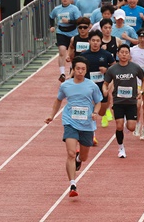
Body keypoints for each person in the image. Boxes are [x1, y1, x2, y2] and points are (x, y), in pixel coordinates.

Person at [45, 56, 103, 197]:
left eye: (83, 69)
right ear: (73, 69)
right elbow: (58, 100)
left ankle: (79, 159)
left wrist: (95, 112)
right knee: (70, 153)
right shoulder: (66, 85)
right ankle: (72, 184)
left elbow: (98, 102)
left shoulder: (92, 86)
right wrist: (52, 116)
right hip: (70, 121)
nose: (80, 71)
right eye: (78, 69)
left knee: (84, 157)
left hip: (87, 124)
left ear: (86, 70)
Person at [103, 44, 144, 158]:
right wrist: (105, 90)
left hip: (131, 102)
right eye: (121, 52)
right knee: (119, 126)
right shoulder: (113, 69)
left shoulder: (135, 67)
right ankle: (121, 148)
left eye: (126, 52)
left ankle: (128, 123)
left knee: (131, 127)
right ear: (118, 54)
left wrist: (141, 91)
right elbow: (105, 83)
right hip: (118, 102)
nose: (124, 55)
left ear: (129, 55)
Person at [50, 0, 82, 83]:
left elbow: (79, 20)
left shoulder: (74, 9)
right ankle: (62, 73)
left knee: (72, 54)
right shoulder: (57, 9)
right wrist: (51, 26)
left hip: (73, 32)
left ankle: (73, 69)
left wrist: (68, 21)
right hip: (61, 32)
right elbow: (51, 17)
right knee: (62, 51)